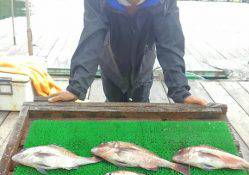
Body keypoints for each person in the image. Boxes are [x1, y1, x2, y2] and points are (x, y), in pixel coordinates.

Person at [49, 0, 207, 105]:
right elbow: (92, 38)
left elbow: (170, 44)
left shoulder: (163, 2)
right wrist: (76, 88)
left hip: (144, 61)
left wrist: (181, 92)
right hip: (110, 61)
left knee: (142, 101)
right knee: (113, 101)